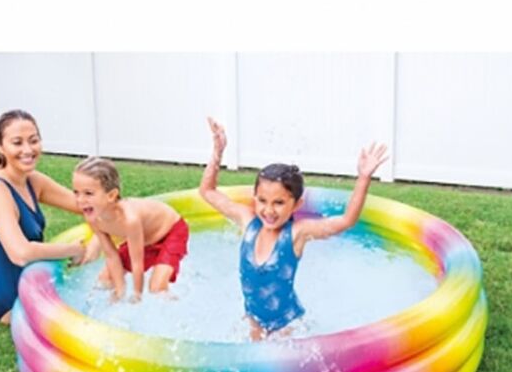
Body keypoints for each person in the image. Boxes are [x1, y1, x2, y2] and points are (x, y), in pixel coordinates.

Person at [199, 117, 389, 341]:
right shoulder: (248, 221)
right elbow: (207, 192)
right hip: (253, 321)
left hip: (287, 326)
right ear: (254, 198)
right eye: (262, 200)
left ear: (296, 205)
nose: (269, 210)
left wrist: (364, 177)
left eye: (279, 203)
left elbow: (346, 221)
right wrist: (218, 152)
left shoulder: (296, 234)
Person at [0, 109, 97, 325]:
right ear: (1, 147)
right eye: (17, 142)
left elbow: (87, 206)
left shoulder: (32, 181)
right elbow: (21, 253)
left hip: (39, 280)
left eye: (33, 140)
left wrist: (98, 239)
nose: (28, 150)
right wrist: (73, 250)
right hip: (13, 299)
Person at [72, 156, 189, 302]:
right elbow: (111, 256)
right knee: (105, 280)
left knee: (156, 288)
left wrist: (137, 295)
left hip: (171, 232)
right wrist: (120, 290)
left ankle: (179, 305)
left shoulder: (130, 219)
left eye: (88, 193)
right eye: (76, 192)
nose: (80, 200)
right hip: (145, 240)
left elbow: (137, 262)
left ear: (111, 195)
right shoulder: (93, 218)